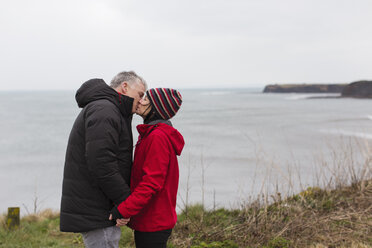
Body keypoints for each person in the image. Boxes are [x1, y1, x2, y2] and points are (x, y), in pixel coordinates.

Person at [60, 71, 147, 248]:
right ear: (124, 87)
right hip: (97, 210)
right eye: (140, 94)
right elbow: (102, 163)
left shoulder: (110, 109)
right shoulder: (105, 110)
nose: (141, 101)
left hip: (98, 206)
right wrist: (125, 201)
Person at [110, 88, 184, 248]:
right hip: (151, 219)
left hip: (154, 222)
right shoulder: (151, 134)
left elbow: (151, 183)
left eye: (146, 99)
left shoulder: (157, 137)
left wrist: (124, 209)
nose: (140, 101)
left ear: (157, 107)